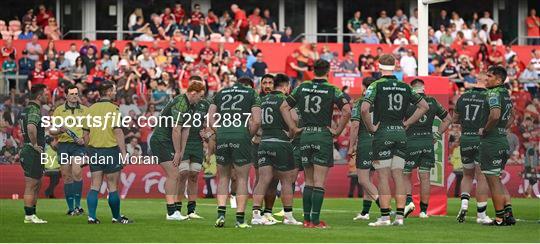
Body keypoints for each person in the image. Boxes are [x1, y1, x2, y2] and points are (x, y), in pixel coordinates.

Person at [280, 59, 351, 228]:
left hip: (305, 135)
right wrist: (338, 131)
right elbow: (347, 110)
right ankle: (316, 220)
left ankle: (306, 220)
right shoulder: (332, 89)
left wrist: (293, 127)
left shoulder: (302, 87)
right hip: (322, 135)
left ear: (313, 70)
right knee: (319, 182)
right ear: (328, 71)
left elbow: (283, 107)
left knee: (309, 181)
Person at [360, 54, 428, 226]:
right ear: (396, 65)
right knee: (398, 175)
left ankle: (384, 217)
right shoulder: (404, 86)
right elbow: (424, 106)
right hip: (400, 133)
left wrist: (370, 127)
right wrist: (408, 123)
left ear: (378, 65)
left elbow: (364, 109)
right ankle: (399, 217)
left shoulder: (376, 85)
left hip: (383, 133)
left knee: (383, 176)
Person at [208, 76, 261, 228]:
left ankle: (220, 216)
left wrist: (221, 131)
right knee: (242, 178)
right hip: (241, 134)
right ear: (249, 85)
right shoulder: (252, 94)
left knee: (223, 177)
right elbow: (257, 121)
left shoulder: (221, 92)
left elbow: (210, 120)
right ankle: (240, 219)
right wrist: (247, 135)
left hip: (223, 134)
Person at [149, 81, 205, 221]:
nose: (201, 99)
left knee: (174, 174)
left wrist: (182, 151)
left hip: (167, 141)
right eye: (200, 95)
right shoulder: (181, 103)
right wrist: (178, 152)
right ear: (193, 93)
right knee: (174, 173)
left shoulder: (191, 105)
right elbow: (176, 129)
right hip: (161, 140)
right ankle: (171, 212)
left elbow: (186, 130)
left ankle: (173, 211)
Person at [251, 74, 303, 226]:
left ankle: (256, 215)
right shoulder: (285, 100)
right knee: (287, 180)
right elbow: (293, 119)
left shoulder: (262, 100)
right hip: (280, 142)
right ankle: (288, 216)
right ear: (286, 87)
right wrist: (292, 133)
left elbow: (256, 120)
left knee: (263, 180)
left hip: (264, 142)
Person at [82, 81, 132, 224]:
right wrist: (123, 152)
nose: (115, 93)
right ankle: (116, 217)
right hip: (110, 150)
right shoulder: (114, 109)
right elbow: (117, 131)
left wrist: (88, 151)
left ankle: (91, 217)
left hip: (94, 151)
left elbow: (85, 134)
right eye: (114, 90)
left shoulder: (90, 109)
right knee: (112, 186)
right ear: (109, 91)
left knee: (95, 185)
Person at [402, 79, 452, 218]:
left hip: (410, 142)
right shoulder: (432, 101)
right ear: (423, 89)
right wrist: (437, 134)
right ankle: (424, 211)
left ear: (412, 89)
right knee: (425, 177)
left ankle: (409, 201)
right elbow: (448, 119)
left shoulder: (407, 102)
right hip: (427, 143)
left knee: (404, 174)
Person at [454, 72, 495, 224]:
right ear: (485, 80)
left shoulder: (463, 96)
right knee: (481, 176)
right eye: (489, 78)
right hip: (481, 138)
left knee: (467, 175)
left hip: (465, 137)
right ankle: (481, 215)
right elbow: (495, 116)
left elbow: (455, 119)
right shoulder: (490, 96)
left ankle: (464, 205)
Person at [478, 66, 515, 226]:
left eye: (489, 76)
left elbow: (494, 115)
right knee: (497, 180)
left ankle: (499, 219)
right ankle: (508, 214)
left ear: (499, 80)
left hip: (492, 142)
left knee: (492, 181)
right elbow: (512, 116)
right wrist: (501, 129)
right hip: (502, 140)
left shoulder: (492, 93)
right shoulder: (506, 94)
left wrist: (485, 130)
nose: (486, 78)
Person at [49, 84, 87, 216]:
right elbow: (52, 131)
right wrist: (60, 130)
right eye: (72, 94)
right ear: (66, 95)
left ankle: (78, 206)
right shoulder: (59, 110)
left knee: (77, 171)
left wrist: (84, 139)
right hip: (64, 145)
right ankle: (71, 208)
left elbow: (90, 129)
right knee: (66, 176)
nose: (74, 96)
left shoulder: (84, 110)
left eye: (76, 94)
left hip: (79, 146)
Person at [177, 76, 210, 219]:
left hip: (197, 144)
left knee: (194, 175)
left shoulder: (205, 105)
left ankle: (191, 210)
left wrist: (207, 132)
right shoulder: (182, 102)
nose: (199, 98)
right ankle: (177, 209)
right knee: (182, 174)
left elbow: (210, 125)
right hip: (183, 144)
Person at [348, 77, 381, 221]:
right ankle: (365, 212)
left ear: (364, 87)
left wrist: (351, 146)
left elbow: (355, 126)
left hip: (366, 143)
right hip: (380, 143)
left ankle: (385, 207)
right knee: (369, 179)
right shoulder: (381, 104)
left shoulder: (359, 102)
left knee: (362, 180)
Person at [19, 84, 49, 223]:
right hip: (33, 151)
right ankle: (29, 216)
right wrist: (35, 144)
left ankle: (32, 214)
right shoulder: (34, 110)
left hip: (29, 150)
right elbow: (31, 128)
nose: (47, 95)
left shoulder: (27, 109)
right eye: (46, 93)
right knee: (32, 184)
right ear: (39, 96)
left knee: (36, 183)